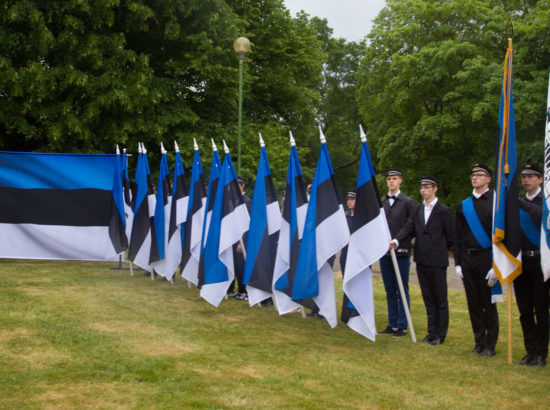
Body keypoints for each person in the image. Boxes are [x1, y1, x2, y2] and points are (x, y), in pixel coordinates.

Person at [392, 176, 454, 345]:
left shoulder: (443, 210)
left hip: (437, 261)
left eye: (427, 187)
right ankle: (431, 332)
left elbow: (450, 237)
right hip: (421, 259)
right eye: (422, 187)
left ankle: (441, 334)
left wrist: (437, 248)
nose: (423, 190)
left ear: (435, 189)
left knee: (440, 298)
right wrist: (396, 240)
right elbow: (409, 227)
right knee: (428, 298)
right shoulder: (419, 209)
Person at [454, 164, 499, 357]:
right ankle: (479, 342)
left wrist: (497, 265)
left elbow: (501, 236)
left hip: (486, 257)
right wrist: (457, 263)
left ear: (488, 179)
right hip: (467, 258)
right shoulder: (463, 205)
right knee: (473, 303)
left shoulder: (497, 203)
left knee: (488, 303)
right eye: (473, 175)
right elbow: (458, 237)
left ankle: (490, 344)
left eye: (480, 175)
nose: (475, 178)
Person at [514, 164, 548, 367]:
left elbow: (540, 216)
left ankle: (541, 353)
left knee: (541, 311)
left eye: (531, 176)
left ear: (540, 180)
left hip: (541, 261)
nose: (526, 180)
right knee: (525, 310)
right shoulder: (516, 204)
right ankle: (530, 350)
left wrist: (518, 203)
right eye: (524, 176)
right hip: (521, 261)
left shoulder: (546, 202)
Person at [379, 168, 417, 337]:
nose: (391, 182)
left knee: (402, 289)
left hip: (400, 251)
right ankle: (392, 323)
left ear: (400, 180)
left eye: (394, 179)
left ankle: (402, 324)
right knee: (389, 289)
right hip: (384, 253)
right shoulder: (382, 202)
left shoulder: (408, 202)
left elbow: (410, 224)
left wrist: (396, 240)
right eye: (389, 179)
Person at [229, 176, 252, 301]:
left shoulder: (247, 201)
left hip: (242, 240)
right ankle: (239, 290)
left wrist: (241, 242)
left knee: (243, 267)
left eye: (238, 185)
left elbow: (247, 225)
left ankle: (246, 292)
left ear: (243, 186)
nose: (235, 187)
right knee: (237, 267)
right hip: (233, 238)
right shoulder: (233, 200)